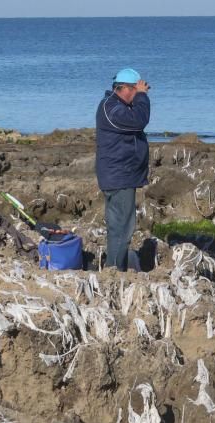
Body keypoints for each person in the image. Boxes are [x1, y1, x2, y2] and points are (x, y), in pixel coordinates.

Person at [95, 68, 151, 271]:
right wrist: (143, 96)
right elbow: (139, 120)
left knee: (118, 225)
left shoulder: (116, 106)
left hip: (120, 175)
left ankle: (115, 266)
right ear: (126, 89)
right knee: (122, 227)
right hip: (119, 177)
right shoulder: (112, 109)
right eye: (135, 90)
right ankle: (115, 270)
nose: (138, 94)